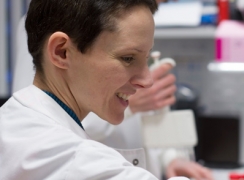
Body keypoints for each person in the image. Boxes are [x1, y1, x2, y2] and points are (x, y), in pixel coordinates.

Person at [10, 1, 213, 180]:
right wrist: (132, 106)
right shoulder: (68, 158)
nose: (147, 81)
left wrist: (168, 158)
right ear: (61, 52)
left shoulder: (15, 119)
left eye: (146, 58)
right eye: (128, 58)